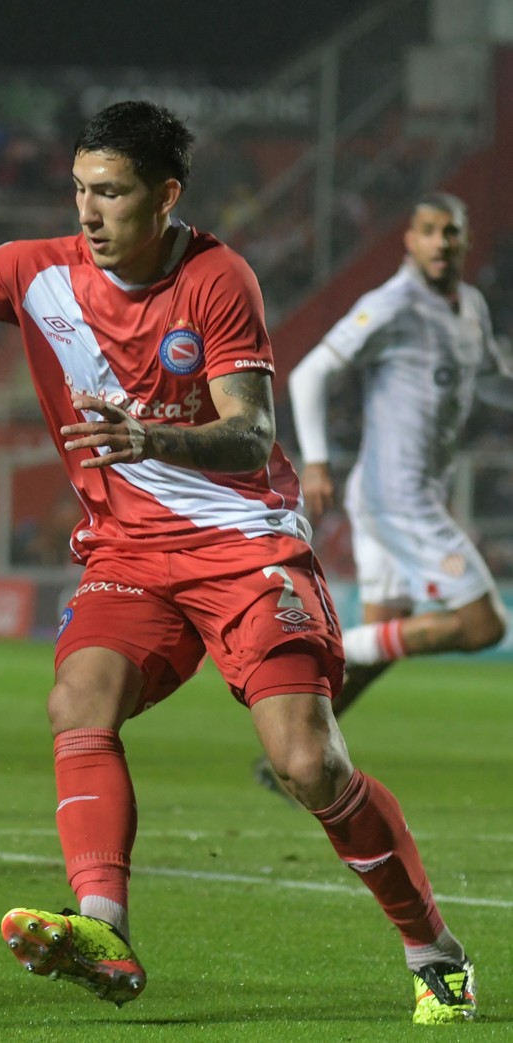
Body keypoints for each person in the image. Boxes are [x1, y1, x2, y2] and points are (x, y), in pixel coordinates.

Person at [0, 101, 475, 1024]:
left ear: (164, 196)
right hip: (129, 553)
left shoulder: (216, 277)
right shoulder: (30, 270)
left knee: (306, 761)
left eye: (110, 192)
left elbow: (250, 433)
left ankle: (433, 949)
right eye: (79, 189)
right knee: (77, 700)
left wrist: (152, 438)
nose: (87, 210)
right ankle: (102, 929)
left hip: (244, 547)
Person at [269, 193, 510, 784]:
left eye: (450, 232)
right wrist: (317, 461)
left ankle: (294, 761)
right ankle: (337, 643)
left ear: (464, 239)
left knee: (379, 651)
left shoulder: (470, 307)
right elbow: (310, 374)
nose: (440, 242)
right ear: (410, 239)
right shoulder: (392, 303)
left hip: (407, 495)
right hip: (398, 498)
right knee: (486, 626)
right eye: (428, 230)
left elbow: (493, 383)